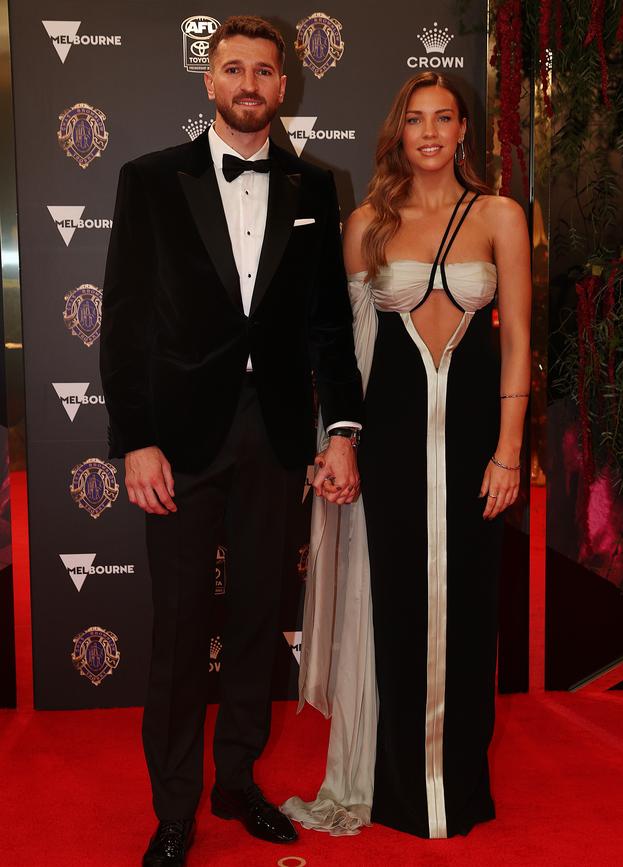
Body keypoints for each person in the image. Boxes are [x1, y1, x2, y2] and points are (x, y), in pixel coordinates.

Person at [100, 16, 362, 867]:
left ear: (284, 86)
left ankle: (236, 781)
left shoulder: (317, 187)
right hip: (177, 441)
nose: (249, 83)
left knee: (256, 620)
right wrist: (135, 439)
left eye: (264, 71)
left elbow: (329, 329)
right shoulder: (149, 181)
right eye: (233, 69)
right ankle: (174, 807)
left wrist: (342, 433)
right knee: (178, 630)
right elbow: (127, 320)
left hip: (278, 438)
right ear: (208, 82)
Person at [284, 71, 531, 839]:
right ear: (399, 132)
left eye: (444, 118)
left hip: (473, 446)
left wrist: (509, 450)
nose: (429, 131)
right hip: (387, 445)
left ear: (464, 130)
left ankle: (458, 783)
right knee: (390, 606)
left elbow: (520, 338)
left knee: (469, 607)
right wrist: (339, 442)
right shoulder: (366, 223)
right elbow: (344, 350)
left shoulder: (499, 215)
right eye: (415, 119)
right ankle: (392, 783)